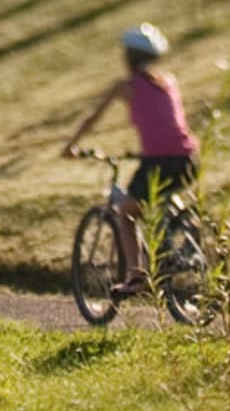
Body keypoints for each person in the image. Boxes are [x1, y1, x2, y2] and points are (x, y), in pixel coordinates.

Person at [62, 23, 199, 296]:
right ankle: (188, 240)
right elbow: (168, 125)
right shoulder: (169, 81)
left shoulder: (126, 86)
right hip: (188, 158)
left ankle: (136, 277)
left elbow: (92, 119)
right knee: (167, 196)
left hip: (159, 161)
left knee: (126, 213)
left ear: (128, 57)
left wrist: (71, 146)